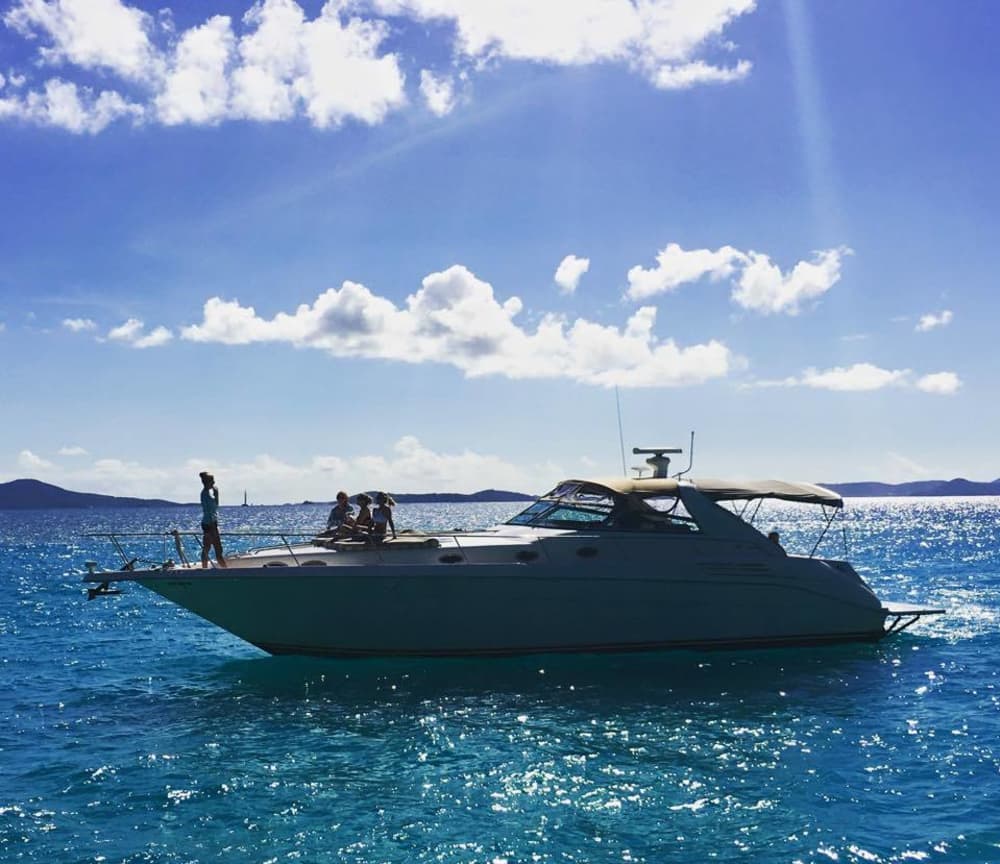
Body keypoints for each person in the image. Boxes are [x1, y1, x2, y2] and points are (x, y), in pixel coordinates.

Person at [199, 471, 227, 568]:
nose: (214, 483)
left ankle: (223, 569)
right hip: (209, 524)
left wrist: (216, 494)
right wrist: (212, 528)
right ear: (207, 482)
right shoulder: (205, 494)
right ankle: (206, 569)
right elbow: (209, 511)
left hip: (211, 523)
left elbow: (215, 507)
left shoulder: (208, 494)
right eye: (212, 481)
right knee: (212, 548)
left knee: (215, 549)